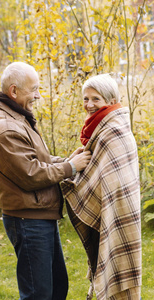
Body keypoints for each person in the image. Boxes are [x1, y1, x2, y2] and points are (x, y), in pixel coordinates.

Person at [0, 61, 91, 300]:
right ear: (14, 91)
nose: (38, 96)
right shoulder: (4, 129)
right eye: (34, 89)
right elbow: (31, 174)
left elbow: (35, 158)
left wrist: (64, 160)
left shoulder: (17, 118)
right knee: (38, 294)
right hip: (27, 220)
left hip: (39, 216)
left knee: (56, 287)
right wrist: (70, 168)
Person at [61, 74, 141, 300]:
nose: (89, 104)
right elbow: (98, 174)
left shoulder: (113, 131)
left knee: (119, 271)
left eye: (96, 99)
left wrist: (71, 177)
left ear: (111, 99)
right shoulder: (99, 129)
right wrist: (71, 166)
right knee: (105, 266)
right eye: (85, 99)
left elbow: (113, 180)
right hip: (106, 210)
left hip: (119, 212)